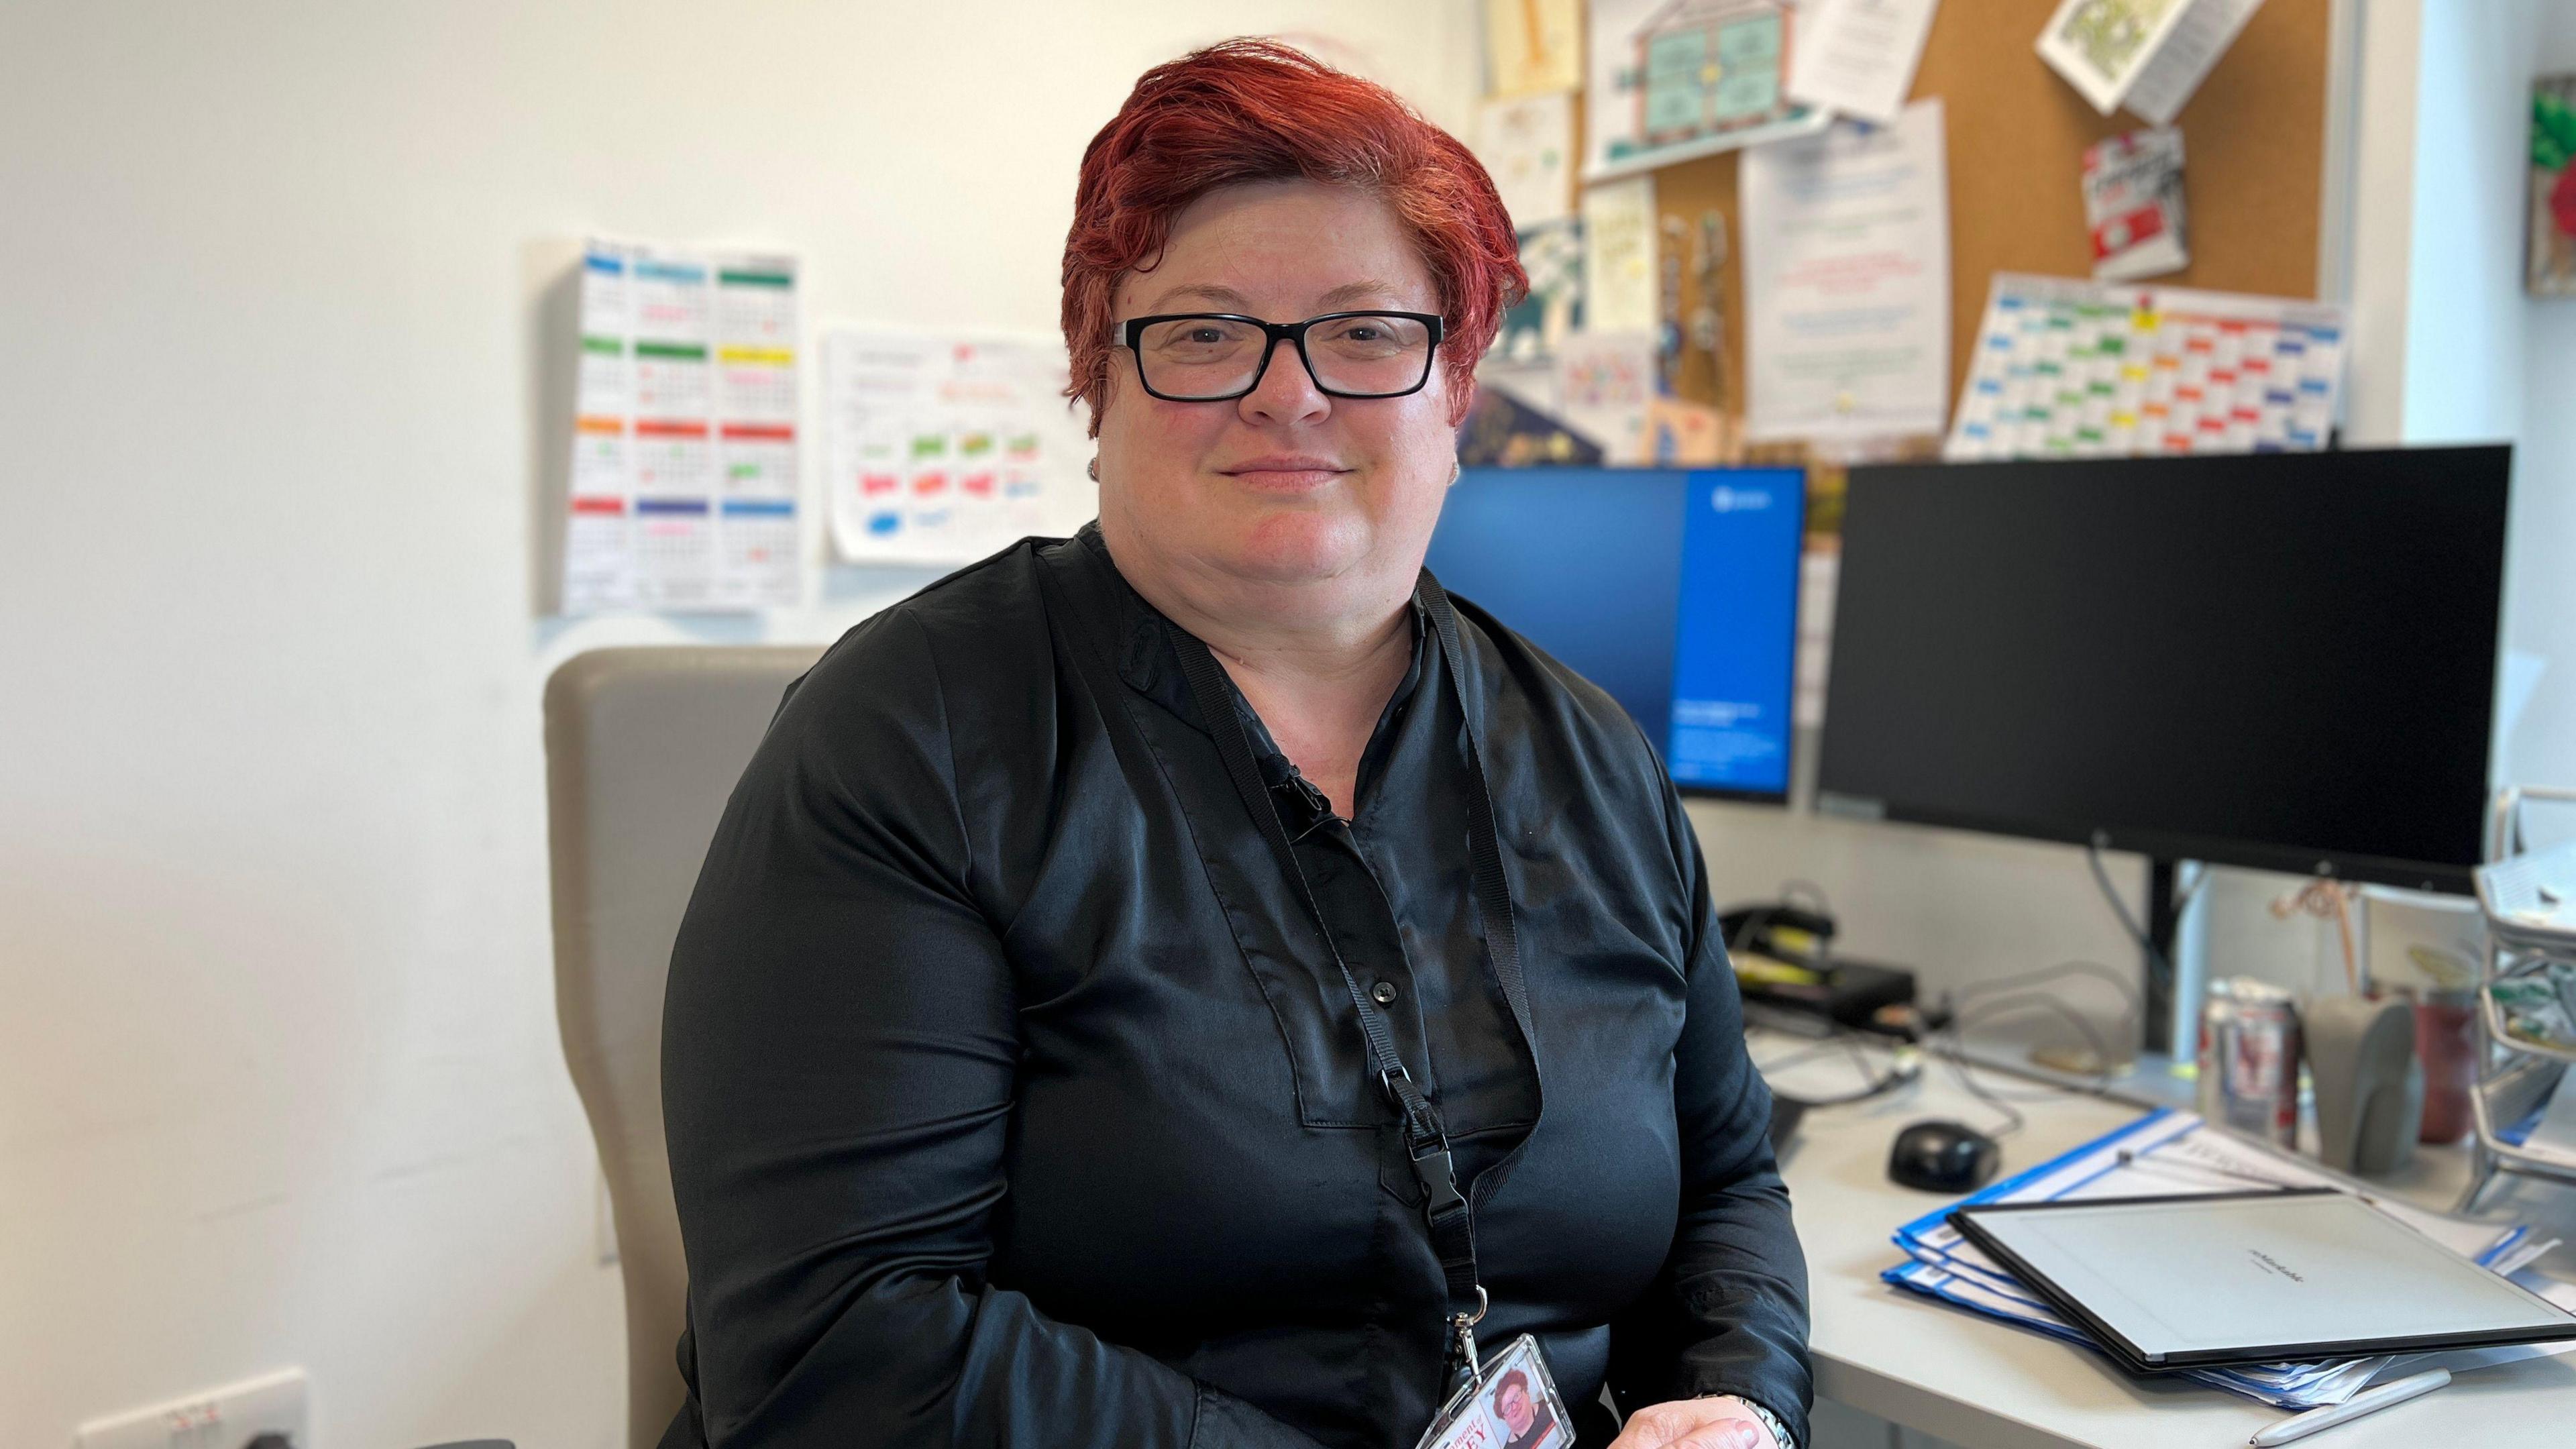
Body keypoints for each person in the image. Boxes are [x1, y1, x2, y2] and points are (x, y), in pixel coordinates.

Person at [659, 39, 1809, 1449]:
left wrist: (1739, 1398)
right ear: (1100, 381)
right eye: (1203, 332)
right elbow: (839, 1346)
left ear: (1456, 392)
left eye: (1368, 331)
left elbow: (1731, 1181)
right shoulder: (914, 737)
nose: (1289, 392)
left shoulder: (1590, 752)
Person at [1491, 1370, 1557, 1449]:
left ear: (1526, 1393)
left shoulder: (1551, 1406)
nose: (1514, 1407)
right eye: (1508, 1408)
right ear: (1504, 1418)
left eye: (1516, 1396)